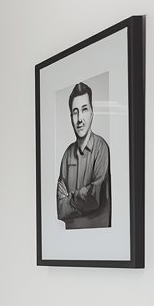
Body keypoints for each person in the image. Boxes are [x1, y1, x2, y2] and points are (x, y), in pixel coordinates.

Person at [56, 81, 111, 229]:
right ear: (71, 117)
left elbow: (94, 198)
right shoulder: (67, 155)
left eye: (84, 109)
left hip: (100, 240)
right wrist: (81, 199)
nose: (79, 118)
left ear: (92, 113)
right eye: (75, 112)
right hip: (70, 242)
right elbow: (60, 209)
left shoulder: (101, 148)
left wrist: (70, 198)